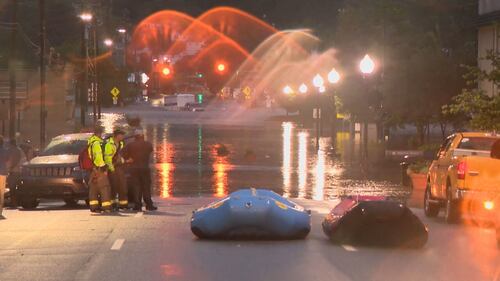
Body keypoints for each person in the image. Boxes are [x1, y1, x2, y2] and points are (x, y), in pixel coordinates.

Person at [123, 129, 157, 211]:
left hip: (134, 169)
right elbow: (150, 151)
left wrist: (128, 159)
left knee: (136, 187)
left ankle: (137, 205)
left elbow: (123, 154)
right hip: (145, 168)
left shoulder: (130, 145)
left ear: (135, 136)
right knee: (146, 187)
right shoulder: (148, 144)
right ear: (143, 136)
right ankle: (149, 205)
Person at [87, 126, 113, 213]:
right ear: (99, 133)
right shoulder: (97, 143)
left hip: (94, 168)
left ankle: (94, 207)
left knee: (94, 188)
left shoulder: (91, 142)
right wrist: (103, 167)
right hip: (99, 168)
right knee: (104, 187)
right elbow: (98, 156)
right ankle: (106, 207)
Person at [105, 128, 128, 210]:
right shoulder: (109, 144)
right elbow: (107, 158)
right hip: (112, 168)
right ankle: (113, 204)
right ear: (116, 135)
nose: (122, 136)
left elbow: (120, 155)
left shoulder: (121, 143)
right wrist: (111, 169)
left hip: (119, 167)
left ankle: (123, 204)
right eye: (121, 135)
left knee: (122, 186)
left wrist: (123, 161)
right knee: (113, 187)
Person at [6, 139, 26, 207]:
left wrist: (10, 168)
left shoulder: (13, 150)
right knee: (16, 188)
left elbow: (14, 160)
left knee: (12, 188)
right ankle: (16, 202)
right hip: (19, 171)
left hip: (14, 171)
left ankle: (14, 202)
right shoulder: (19, 150)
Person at [0, 136, 8, 218]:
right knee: (1, 193)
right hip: (2, 173)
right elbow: (8, 161)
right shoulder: (5, 151)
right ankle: (0, 213)